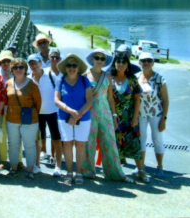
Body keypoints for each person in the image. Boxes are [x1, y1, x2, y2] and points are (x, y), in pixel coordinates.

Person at [83, 48, 133, 183]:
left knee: (110, 143)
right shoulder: (84, 75)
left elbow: (110, 98)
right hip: (89, 113)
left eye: (102, 58)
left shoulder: (108, 76)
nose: (99, 60)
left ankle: (114, 172)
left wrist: (114, 115)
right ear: (92, 59)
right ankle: (88, 171)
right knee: (89, 143)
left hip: (105, 113)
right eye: (97, 58)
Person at [55, 54, 92, 184]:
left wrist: (78, 115)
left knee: (81, 145)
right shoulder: (61, 80)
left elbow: (89, 101)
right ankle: (69, 172)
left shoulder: (84, 80)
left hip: (83, 117)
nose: (71, 68)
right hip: (64, 117)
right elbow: (57, 100)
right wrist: (70, 111)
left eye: (74, 65)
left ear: (78, 67)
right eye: (69, 65)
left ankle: (79, 172)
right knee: (67, 143)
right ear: (65, 67)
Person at [4, 57, 42, 180]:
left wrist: (32, 114)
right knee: (13, 144)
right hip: (12, 119)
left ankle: (30, 170)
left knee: (29, 145)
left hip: (29, 120)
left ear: (25, 69)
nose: (18, 69)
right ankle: (13, 168)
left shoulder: (32, 84)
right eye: (15, 67)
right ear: (12, 69)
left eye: (21, 67)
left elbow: (38, 103)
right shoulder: (9, 83)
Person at [111, 53, 145, 180]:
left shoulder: (132, 80)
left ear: (127, 65)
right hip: (114, 118)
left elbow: (137, 100)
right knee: (116, 145)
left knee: (135, 144)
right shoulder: (110, 79)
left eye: (124, 62)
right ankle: (118, 172)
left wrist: (136, 118)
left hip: (130, 118)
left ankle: (141, 171)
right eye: (118, 62)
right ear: (114, 64)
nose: (121, 64)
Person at [29, 51, 63, 176]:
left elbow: (59, 91)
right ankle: (37, 165)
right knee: (38, 140)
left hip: (53, 112)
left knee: (57, 139)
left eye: (36, 63)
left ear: (40, 63)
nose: (34, 66)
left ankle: (58, 166)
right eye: (31, 64)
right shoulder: (29, 79)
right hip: (38, 114)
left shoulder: (50, 75)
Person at [137, 52, 169, 179]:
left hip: (156, 113)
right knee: (141, 140)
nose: (146, 63)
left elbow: (166, 100)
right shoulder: (136, 77)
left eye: (149, 60)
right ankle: (141, 167)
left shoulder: (159, 78)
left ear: (153, 62)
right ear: (139, 62)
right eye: (143, 61)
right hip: (141, 113)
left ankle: (159, 166)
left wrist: (164, 119)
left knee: (157, 139)